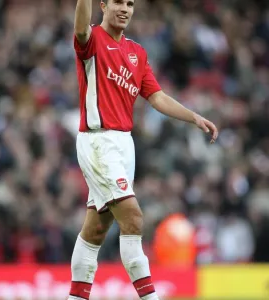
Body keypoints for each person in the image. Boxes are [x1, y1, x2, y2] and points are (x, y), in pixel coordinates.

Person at [68, 0, 219, 299]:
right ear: (103, 5)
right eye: (118, 3)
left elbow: (156, 97)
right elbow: (80, 27)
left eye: (130, 3)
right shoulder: (92, 39)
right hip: (99, 141)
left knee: (96, 230)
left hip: (125, 145)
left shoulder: (137, 52)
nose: (124, 9)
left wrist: (193, 117)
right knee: (133, 218)